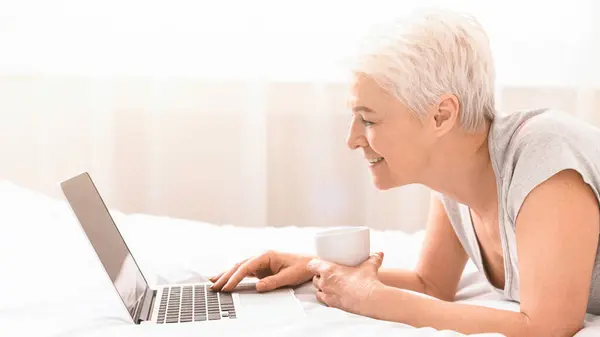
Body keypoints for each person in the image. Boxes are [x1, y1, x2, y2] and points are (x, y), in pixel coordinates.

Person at [209, 9, 600, 336]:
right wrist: (317, 267)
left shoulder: (545, 163)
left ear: (440, 116)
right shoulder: (457, 174)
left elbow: (549, 326)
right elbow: (431, 285)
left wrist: (374, 300)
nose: (352, 140)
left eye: (369, 120)